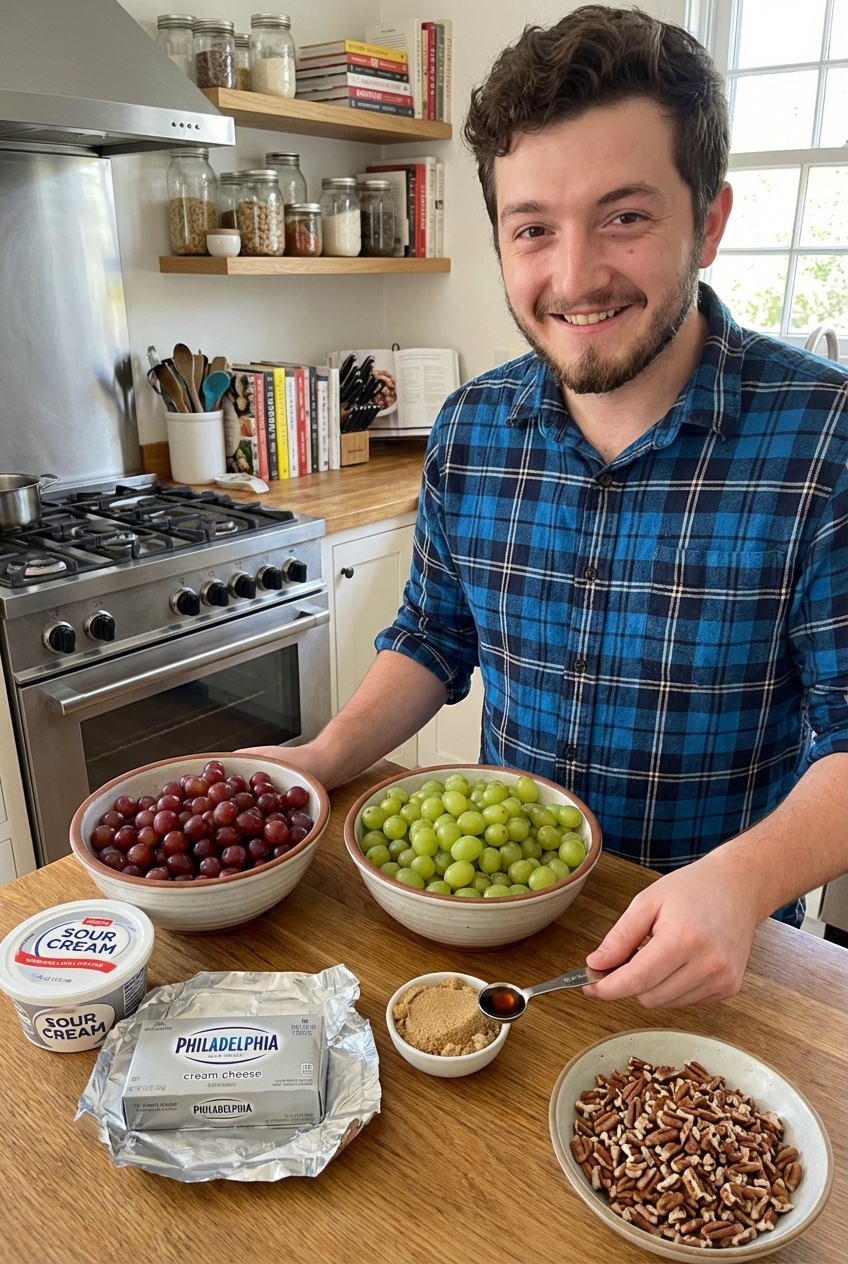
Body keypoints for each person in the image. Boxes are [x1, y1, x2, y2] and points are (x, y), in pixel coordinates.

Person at [245, 7, 847, 1007]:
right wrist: (319, 756)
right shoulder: (471, 427)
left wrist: (740, 886)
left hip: (711, 961)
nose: (571, 278)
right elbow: (434, 635)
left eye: (624, 217)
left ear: (707, 220)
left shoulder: (824, 441)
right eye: (532, 229)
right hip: (498, 938)